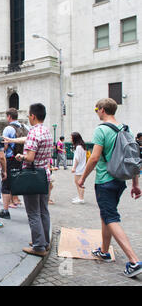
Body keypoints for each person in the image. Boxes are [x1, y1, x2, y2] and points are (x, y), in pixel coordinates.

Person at [78, 98, 141, 278]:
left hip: (105, 180)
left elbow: (95, 158)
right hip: (120, 180)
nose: (96, 111)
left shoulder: (101, 130)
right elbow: (132, 158)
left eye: (96, 108)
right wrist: (135, 184)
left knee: (110, 216)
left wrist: (82, 178)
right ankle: (105, 251)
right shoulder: (125, 129)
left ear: (103, 109)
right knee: (106, 214)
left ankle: (134, 261)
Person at [7, 103, 53, 257]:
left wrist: (21, 156)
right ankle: (44, 241)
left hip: (32, 177)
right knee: (43, 211)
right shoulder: (46, 131)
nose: (28, 117)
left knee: (33, 212)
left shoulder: (34, 133)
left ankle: (38, 246)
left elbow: (30, 156)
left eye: (28, 115)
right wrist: (12, 140)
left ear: (33, 116)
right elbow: (27, 140)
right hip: (44, 175)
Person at [0, 108, 27, 220]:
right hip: (22, 159)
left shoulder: (8, 129)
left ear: (9, 117)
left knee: (6, 184)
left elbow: (4, 147)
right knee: (20, 183)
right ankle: (19, 202)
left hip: (10, 159)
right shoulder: (25, 127)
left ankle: (5, 210)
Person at [71, 132, 87, 204]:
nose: (71, 139)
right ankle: (80, 196)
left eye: (71, 138)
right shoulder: (82, 146)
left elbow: (77, 158)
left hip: (79, 168)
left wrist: (74, 167)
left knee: (79, 183)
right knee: (78, 182)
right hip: (81, 167)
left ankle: (81, 198)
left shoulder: (78, 147)